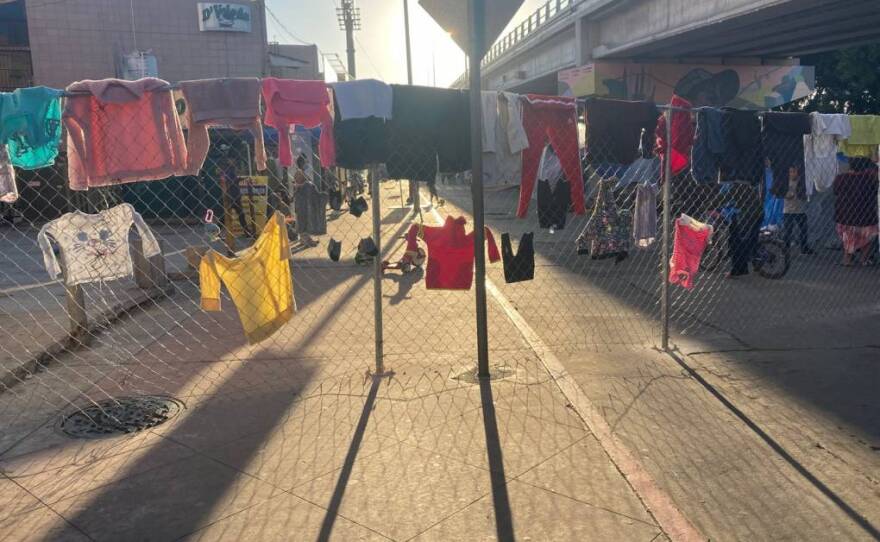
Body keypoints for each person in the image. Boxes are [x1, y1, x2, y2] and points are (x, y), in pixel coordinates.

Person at [833, 157, 879, 266]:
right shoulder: (869, 178)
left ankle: (847, 259)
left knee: (848, 237)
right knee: (866, 237)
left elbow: (835, 191)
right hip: (866, 216)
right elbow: (875, 190)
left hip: (846, 215)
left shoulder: (842, 178)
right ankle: (864, 259)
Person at [727, 182, 764, 277]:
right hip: (758, 213)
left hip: (748, 215)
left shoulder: (733, 185)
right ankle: (756, 259)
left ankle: (737, 270)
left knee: (737, 242)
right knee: (751, 240)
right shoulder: (745, 182)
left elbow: (723, 198)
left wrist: (708, 206)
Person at [220, 155, 254, 238]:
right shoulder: (227, 169)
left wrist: (241, 178)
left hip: (236, 195)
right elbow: (230, 180)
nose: (233, 161)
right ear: (228, 159)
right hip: (230, 196)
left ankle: (246, 232)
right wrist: (241, 179)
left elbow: (234, 179)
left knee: (241, 215)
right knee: (226, 216)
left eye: (233, 159)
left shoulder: (232, 169)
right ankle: (217, 230)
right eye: (232, 159)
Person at [782, 165, 813, 254]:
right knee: (788, 231)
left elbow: (805, 195)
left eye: (794, 171)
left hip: (800, 210)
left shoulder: (802, 182)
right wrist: (787, 195)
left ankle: (804, 248)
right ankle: (785, 248)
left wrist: (801, 193)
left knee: (803, 230)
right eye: (791, 172)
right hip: (788, 211)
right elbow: (782, 193)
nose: (792, 174)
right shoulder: (786, 182)